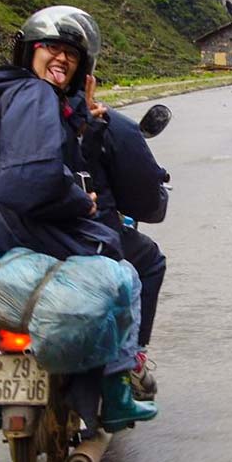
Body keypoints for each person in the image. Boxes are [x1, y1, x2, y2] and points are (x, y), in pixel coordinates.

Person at [0, 6, 155, 433]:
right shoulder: (35, 95)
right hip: (26, 234)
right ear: (29, 52)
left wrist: (79, 122)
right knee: (125, 275)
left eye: (72, 55)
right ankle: (117, 393)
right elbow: (32, 178)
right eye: (51, 48)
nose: (61, 59)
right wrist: (82, 203)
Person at [71, 76, 169, 400]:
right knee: (148, 263)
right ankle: (132, 358)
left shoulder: (4, 115)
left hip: (16, 235)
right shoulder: (102, 123)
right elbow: (143, 192)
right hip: (84, 235)